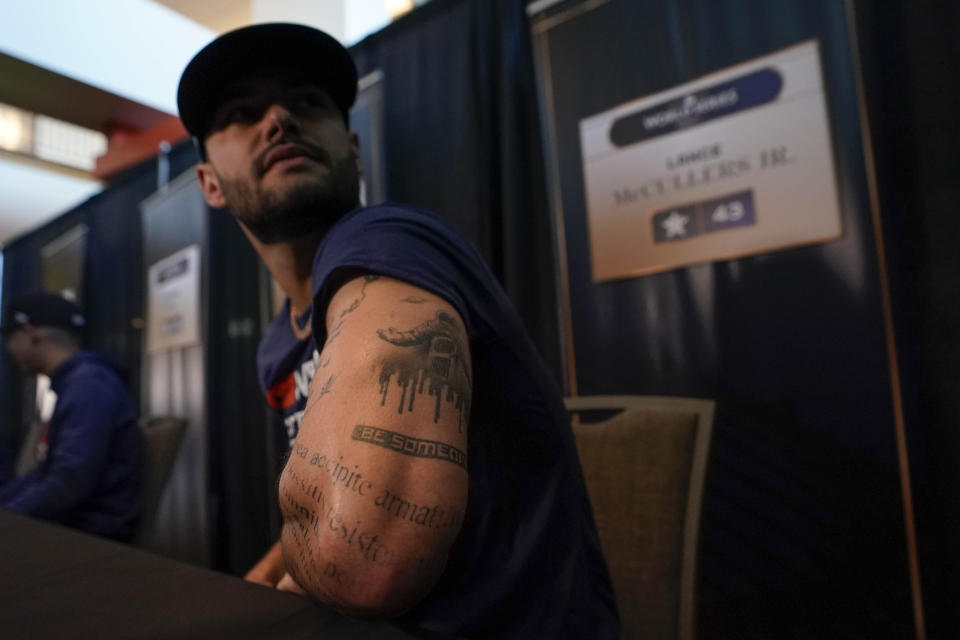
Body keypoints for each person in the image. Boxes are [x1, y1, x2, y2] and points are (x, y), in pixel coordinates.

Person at [177, 23, 618, 638]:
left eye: (306, 102)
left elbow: (365, 562)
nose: (278, 118)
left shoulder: (388, 240)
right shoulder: (279, 346)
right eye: (241, 113)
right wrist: (263, 578)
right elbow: (320, 521)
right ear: (209, 185)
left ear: (353, 149)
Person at [0, 292, 143, 542]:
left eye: (10, 337)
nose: (8, 348)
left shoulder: (89, 385)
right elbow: (50, 473)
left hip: (86, 538)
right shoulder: (79, 382)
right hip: (73, 529)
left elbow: (69, 482)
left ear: (31, 333)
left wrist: (10, 517)